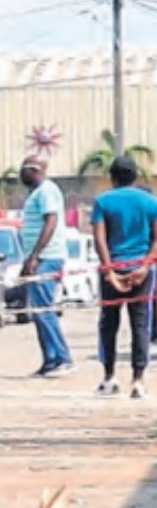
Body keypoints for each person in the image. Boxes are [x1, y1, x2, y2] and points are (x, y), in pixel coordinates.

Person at [91, 155, 157, 398]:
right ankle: (138, 380)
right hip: (141, 270)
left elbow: (99, 238)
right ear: (135, 176)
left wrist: (109, 271)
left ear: (113, 176)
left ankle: (109, 377)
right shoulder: (151, 202)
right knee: (140, 324)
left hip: (114, 268)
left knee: (109, 323)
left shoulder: (102, 201)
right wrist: (144, 267)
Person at [18, 155, 73, 377]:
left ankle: (62, 358)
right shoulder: (36, 193)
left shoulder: (47, 191)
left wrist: (35, 255)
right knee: (39, 311)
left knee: (44, 310)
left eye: (25, 170)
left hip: (47, 257)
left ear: (36, 170)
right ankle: (49, 360)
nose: (21, 175)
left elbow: (51, 222)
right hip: (37, 257)